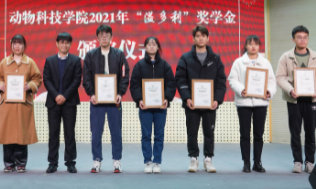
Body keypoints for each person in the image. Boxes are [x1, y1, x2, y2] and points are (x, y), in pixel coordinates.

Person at [276, 25, 316, 174]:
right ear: (293, 39)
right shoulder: (286, 57)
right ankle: (297, 162)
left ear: (308, 39)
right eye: (299, 37)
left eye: (305, 37)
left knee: (310, 131)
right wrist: (290, 90)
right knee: (295, 132)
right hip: (294, 100)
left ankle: (309, 162)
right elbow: (279, 77)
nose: (302, 40)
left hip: (311, 100)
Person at [174, 25, 227, 173]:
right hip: (191, 103)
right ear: (193, 38)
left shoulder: (215, 59)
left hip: (210, 104)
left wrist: (217, 99)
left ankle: (208, 159)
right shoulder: (185, 58)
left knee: (209, 132)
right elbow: (180, 79)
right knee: (192, 132)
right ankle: (194, 159)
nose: (201, 38)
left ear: (208, 38)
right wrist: (187, 98)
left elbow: (221, 81)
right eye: (198, 36)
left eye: (203, 35)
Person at [82, 23, 129, 173]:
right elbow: (86, 77)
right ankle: (97, 160)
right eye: (101, 35)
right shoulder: (90, 55)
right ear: (97, 38)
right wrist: (91, 94)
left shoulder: (119, 54)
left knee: (116, 131)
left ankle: (117, 161)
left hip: (115, 101)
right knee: (96, 131)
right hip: (97, 101)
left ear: (111, 37)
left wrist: (120, 93)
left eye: (107, 35)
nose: (104, 38)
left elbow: (124, 76)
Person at [227, 34, 277, 172]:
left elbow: (272, 81)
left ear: (259, 46)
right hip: (244, 103)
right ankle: (246, 163)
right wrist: (241, 89)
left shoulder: (265, 63)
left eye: (256, 44)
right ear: (246, 46)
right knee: (245, 134)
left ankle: (257, 162)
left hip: (261, 102)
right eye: (250, 44)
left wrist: (269, 92)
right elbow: (232, 79)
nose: (253, 46)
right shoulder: (238, 62)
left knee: (259, 134)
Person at [0, 34, 42, 172]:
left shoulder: (30, 62)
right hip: (7, 104)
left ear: (24, 46)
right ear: (11, 45)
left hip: (23, 103)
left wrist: (30, 85)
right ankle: (8, 163)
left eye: (20, 43)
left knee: (22, 133)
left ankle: (21, 163)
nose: (17, 46)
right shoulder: (4, 62)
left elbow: (37, 78)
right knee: (7, 133)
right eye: (14, 43)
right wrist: (0, 85)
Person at [128, 35, 176, 173]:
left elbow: (171, 83)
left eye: (154, 44)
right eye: (149, 44)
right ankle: (148, 161)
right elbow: (134, 84)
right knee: (146, 135)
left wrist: (167, 98)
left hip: (161, 106)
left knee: (159, 135)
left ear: (158, 47)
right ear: (145, 47)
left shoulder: (165, 65)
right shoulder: (139, 65)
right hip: (145, 107)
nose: (151, 46)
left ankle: (157, 162)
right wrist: (139, 99)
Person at [43, 31, 82, 173]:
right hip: (53, 102)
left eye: (67, 42)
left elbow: (76, 80)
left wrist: (64, 96)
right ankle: (52, 163)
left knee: (69, 133)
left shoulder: (76, 60)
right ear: (57, 44)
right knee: (53, 133)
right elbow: (46, 79)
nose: (64, 45)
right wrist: (56, 95)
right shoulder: (49, 60)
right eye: (62, 42)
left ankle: (70, 162)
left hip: (69, 102)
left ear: (70, 44)